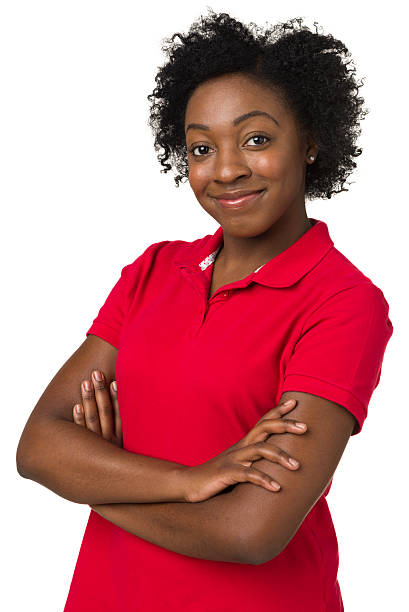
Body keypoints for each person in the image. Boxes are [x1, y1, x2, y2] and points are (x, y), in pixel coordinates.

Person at [16, 10, 393, 612]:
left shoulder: (343, 303)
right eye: (200, 146)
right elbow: (38, 448)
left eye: (257, 139)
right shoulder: (153, 271)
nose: (225, 169)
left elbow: (250, 531)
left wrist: (92, 481)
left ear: (313, 141)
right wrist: (190, 483)